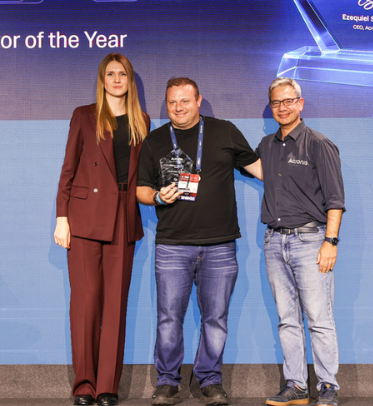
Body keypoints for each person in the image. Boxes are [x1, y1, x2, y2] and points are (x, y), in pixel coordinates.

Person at [136, 77, 263, 406]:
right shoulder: (155, 141)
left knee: (215, 319)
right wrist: (156, 197)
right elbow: (141, 189)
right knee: (168, 318)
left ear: (198, 101)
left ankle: (209, 380)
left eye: (185, 101)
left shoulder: (225, 131)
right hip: (172, 245)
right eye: (172, 102)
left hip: (220, 245)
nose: (178, 107)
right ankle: (167, 381)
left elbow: (260, 168)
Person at [55, 53, 150, 406]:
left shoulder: (141, 120)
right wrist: (61, 217)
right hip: (84, 218)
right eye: (110, 74)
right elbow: (68, 169)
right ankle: (84, 385)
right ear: (102, 79)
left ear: (129, 79)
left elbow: (142, 173)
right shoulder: (84, 115)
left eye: (122, 73)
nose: (116, 79)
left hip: (123, 218)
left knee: (115, 306)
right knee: (86, 304)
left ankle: (107, 386)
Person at [256, 78, 345, 406]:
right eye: (276, 102)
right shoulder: (266, 146)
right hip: (274, 242)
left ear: (300, 103)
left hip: (310, 242)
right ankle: (296, 385)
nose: (282, 108)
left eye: (288, 101)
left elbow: (335, 199)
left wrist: (330, 241)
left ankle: (328, 386)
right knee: (287, 319)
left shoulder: (319, 144)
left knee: (319, 319)